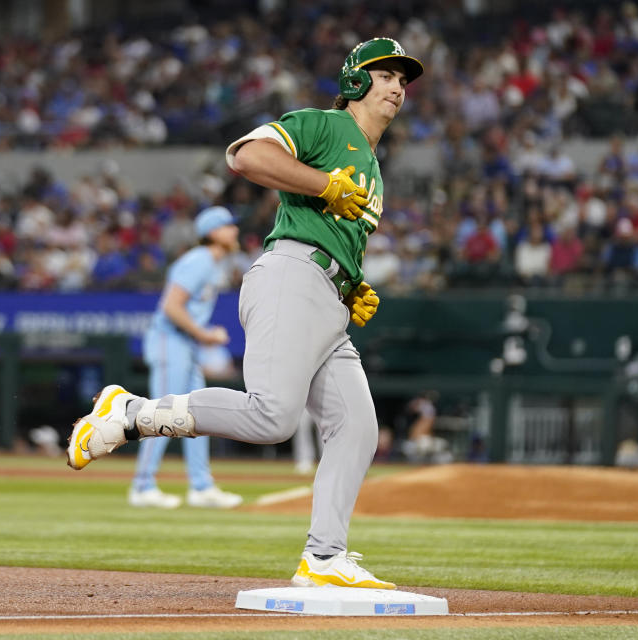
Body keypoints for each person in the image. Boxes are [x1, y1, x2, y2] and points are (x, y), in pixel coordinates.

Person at [66, 37, 423, 591]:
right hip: (291, 276)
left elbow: (332, 225)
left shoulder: (373, 166)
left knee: (358, 429)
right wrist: (323, 184)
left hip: (326, 295)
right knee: (273, 417)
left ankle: (324, 558)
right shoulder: (326, 126)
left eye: (404, 79)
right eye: (385, 75)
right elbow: (246, 155)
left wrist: (352, 285)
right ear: (355, 80)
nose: (398, 86)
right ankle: (132, 412)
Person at [129, 206, 244, 510]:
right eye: (228, 226)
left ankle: (201, 486)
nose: (234, 230)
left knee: (197, 414)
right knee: (163, 412)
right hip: (170, 341)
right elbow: (171, 306)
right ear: (212, 233)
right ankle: (142, 485)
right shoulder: (199, 260)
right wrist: (204, 334)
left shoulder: (212, 263)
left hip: (185, 344)